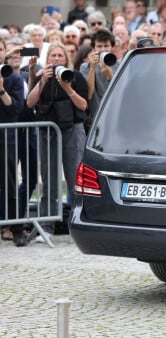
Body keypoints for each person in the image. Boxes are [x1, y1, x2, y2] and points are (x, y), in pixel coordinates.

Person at [26, 43, 89, 244]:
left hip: (73, 131)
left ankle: (80, 225)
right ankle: (47, 226)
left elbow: (83, 105)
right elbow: (29, 102)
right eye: (53, 55)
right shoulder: (42, 76)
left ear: (66, 58)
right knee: (50, 180)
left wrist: (67, 87)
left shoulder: (76, 76)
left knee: (75, 181)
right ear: (47, 58)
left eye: (60, 56)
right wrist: (42, 81)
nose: (56, 59)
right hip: (48, 132)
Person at [0, 38, 27, 247]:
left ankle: (16, 228)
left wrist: (1, 90)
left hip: (7, 137)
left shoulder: (14, 78)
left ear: (5, 53)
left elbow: (15, 109)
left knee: (9, 183)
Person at [80, 30, 118, 133]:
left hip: (116, 117)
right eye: (99, 46)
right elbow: (89, 95)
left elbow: (120, 92)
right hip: (95, 118)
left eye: (106, 46)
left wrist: (109, 75)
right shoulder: (85, 67)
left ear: (112, 47)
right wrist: (92, 68)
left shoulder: (120, 64)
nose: (103, 49)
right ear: (94, 48)